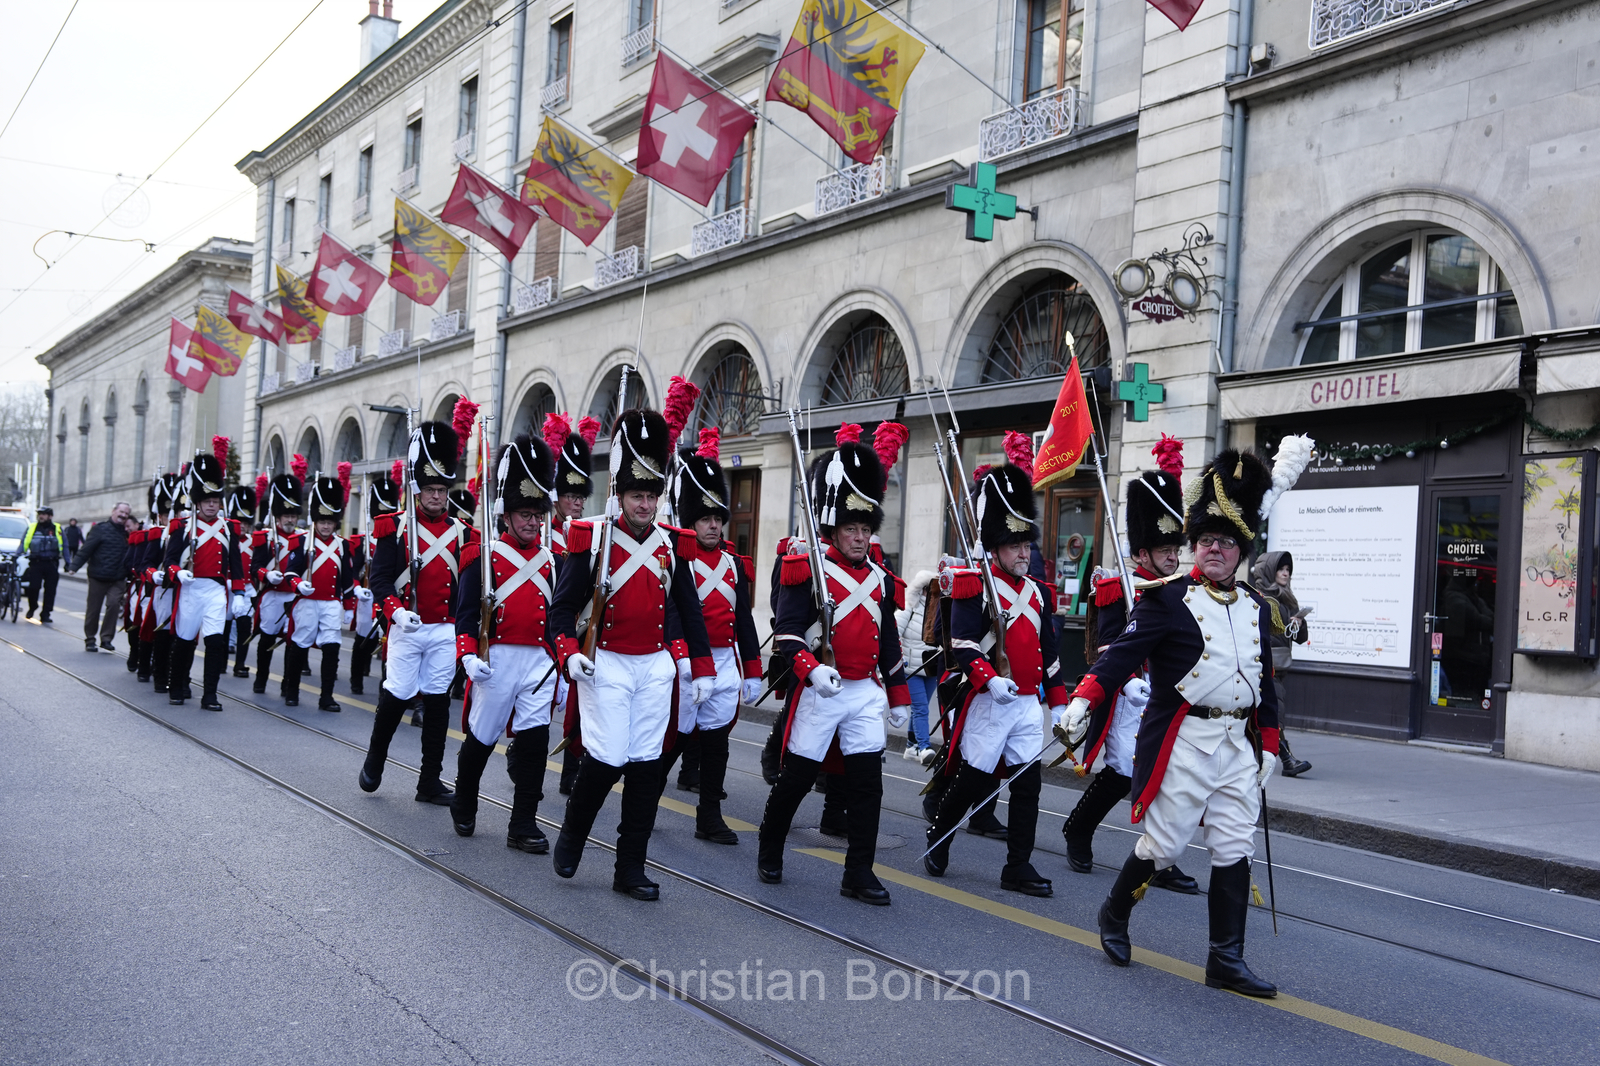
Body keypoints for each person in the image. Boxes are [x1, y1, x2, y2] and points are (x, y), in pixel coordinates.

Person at [1062, 435, 1313, 998]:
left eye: (1226, 541)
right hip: (1185, 743)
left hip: (1237, 746)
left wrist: (1269, 746)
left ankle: (1226, 958)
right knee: (1165, 844)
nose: (1215, 549)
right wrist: (1083, 701)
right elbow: (1117, 658)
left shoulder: (1255, 606)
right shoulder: (1164, 600)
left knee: (1233, 846)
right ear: (1192, 544)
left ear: (1241, 548)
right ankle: (1115, 913)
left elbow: (1263, 684)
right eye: (1204, 540)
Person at [548, 408, 716, 901]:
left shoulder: (671, 546)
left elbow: (689, 612)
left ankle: (630, 867)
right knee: (605, 757)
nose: (644, 504)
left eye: (650, 495)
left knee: (646, 765)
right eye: (636, 495)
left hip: (655, 666)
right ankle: (573, 836)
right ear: (619, 495)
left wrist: (700, 667)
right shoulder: (592, 539)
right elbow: (561, 613)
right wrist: (568, 655)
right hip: (607, 662)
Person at [758, 425, 910, 905]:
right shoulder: (807, 569)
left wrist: (900, 696)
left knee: (868, 786)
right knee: (798, 778)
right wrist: (810, 668)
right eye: (852, 529)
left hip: (864, 691)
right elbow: (786, 634)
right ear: (834, 528)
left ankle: (858, 872)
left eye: (866, 529)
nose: (861, 537)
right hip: (821, 688)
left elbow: (889, 646)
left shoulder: (882, 581)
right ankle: (770, 844)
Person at [922, 436, 1063, 898]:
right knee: (974, 779)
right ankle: (938, 836)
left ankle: (1017, 865)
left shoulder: (1038, 592)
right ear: (997, 545)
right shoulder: (974, 585)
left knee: (1028, 787)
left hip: (1026, 705)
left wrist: (1059, 703)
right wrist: (988, 678)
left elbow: (1050, 653)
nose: (1024, 553)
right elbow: (961, 644)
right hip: (991, 700)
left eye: (1026, 545)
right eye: (1015, 545)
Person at [1062, 439, 1199, 894]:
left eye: (1174, 548)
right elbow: (1107, 648)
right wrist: (1132, 681)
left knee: (1168, 774)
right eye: (1162, 550)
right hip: (1128, 694)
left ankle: (1161, 853)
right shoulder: (1115, 587)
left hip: (1171, 699)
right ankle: (1078, 829)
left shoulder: (1185, 588)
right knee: (1123, 770)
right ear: (1141, 552)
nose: (1172, 557)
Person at [449, 435, 561, 850]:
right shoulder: (483, 556)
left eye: (537, 515)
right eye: (525, 515)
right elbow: (464, 614)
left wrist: (561, 667)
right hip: (495, 658)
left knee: (534, 744)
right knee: (482, 736)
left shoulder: (554, 561)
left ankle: (523, 823)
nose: (533, 523)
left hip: (538, 663)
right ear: (507, 515)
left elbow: (556, 618)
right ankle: (464, 799)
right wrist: (466, 656)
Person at [359, 421, 476, 805]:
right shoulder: (393, 527)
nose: (437, 497)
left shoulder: (463, 533)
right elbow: (380, 581)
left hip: (443, 630)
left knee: (438, 702)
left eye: (443, 491)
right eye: (430, 490)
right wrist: (394, 613)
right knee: (398, 694)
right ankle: (375, 759)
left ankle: (429, 780)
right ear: (417, 489)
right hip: (408, 627)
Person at [656, 426, 763, 846]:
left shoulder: (734, 565)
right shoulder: (676, 558)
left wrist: (751, 669)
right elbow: (670, 614)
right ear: (691, 521)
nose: (715, 526)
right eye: (706, 519)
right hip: (685, 661)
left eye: (719, 518)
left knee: (717, 745)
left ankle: (709, 816)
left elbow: (744, 621)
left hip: (723, 662)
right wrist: (683, 658)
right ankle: (644, 800)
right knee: (675, 741)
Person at [162, 447, 249, 710]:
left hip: (215, 591)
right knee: (186, 641)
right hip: (191, 588)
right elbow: (170, 561)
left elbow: (235, 564)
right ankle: (177, 686)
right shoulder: (183, 526)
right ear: (197, 501)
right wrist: (178, 573)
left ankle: (210, 694)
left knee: (214, 642)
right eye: (207, 500)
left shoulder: (228, 528)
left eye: (216, 500)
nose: (212, 504)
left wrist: (241, 594)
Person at [544, 412, 599, 796]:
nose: (577, 503)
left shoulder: (592, 537)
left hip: (577, 629)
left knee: (579, 704)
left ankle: (571, 768)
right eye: (570, 496)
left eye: (581, 496)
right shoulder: (542, 534)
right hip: (540, 629)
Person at [281, 475, 352, 711]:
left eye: (329, 522)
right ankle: (292, 690)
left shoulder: (342, 545)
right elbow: (290, 572)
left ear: (335, 522)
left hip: (331, 602)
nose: (325, 525)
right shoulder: (301, 542)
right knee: (299, 646)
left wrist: (350, 607)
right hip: (307, 602)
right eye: (321, 521)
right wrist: (298, 585)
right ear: (315, 520)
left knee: (331, 648)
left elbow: (347, 580)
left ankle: (326, 696)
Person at [1250, 551, 1313, 778]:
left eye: (1288, 570)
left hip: (1281, 664)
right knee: (1275, 710)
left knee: (1267, 711)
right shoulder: (1259, 597)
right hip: (1264, 665)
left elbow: (1298, 638)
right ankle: (1287, 759)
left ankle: (1257, 756)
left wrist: (1298, 622)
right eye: (1281, 569)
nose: (1285, 573)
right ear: (1270, 571)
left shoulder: (1286, 598)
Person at [251, 473, 305, 698]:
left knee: (292, 642)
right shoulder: (265, 537)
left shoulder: (304, 538)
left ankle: (288, 683)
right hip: (273, 595)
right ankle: (261, 678)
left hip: (294, 596)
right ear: (278, 517)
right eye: (286, 516)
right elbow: (255, 567)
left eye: (293, 515)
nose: (290, 520)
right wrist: (267, 575)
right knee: (267, 638)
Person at [346, 473, 399, 696]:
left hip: (388, 596)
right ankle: (356, 680)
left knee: (389, 645)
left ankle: (387, 686)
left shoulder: (399, 538)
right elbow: (351, 570)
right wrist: (357, 588)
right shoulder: (361, 542)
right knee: (363, 641)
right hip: (368, 598)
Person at [72, 500, 132, 653]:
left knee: (113, 606)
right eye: (121, 512)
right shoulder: (100, 529)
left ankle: (106, 638)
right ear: (114, 511)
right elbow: (86, 549)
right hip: (98, 576)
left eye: (126, 514)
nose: (123, 515)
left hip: (118, 578)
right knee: (94, 609)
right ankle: (90, 639)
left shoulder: (127, 533)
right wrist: (74, 566)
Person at [896, 569, 940, 765]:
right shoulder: (908, 608)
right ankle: (924, 747)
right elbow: (893, 634)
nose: (930, 593)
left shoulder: (939, 611)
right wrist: (899, 661)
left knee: (919, 708)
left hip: (930, 667)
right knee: (921, 708)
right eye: (928, 589)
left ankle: (910, 746)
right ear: (921, 589)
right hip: (910, 669)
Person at [224, 486, 258, 678]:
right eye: (239, 521)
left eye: (245, 522)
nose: (242, 526)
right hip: (226, 588)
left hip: (246, 589)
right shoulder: (226, 539)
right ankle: (221, 661)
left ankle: (240, 664)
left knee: (245, 628)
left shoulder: (255, 542)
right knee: (224, 627)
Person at [22, 505, 64, 623]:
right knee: (33, 587)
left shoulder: (57, 528)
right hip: (36, 563)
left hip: (52, 563)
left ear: (50, 516)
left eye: (44, 514)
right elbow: (23, 542)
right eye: (39, 514)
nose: (41, 516)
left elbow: (64, 545)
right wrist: (17, 554)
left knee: (50, 590)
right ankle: (32, 607)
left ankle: (45, 613)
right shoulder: (32, 528)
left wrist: (69, 563)